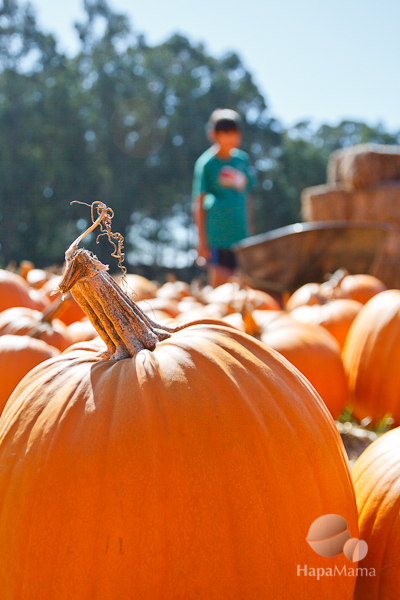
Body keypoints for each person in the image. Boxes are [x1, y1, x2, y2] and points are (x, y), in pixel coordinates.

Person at [192, 108, 256, 287]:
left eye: (235, 133)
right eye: (226, 133)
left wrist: (250, 231)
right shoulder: (206, 164)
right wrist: (201, 242)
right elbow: (199, 202)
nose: (231, 138)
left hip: (241, 235)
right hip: (217, 236)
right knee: (220, 288)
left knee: (244, 285)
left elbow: (248, 196)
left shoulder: (242, 160)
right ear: (214, 135)